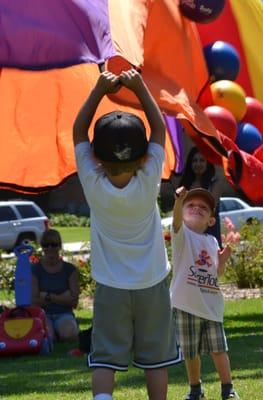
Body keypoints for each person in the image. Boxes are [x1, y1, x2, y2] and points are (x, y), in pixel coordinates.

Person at [73, 69, 181, 400]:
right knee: (156, 360)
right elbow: (159, 128)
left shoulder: (93, 182)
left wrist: (98, 90)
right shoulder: (148, 180)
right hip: (151, 283)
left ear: (97, 157)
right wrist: (139, 86)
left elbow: (78, 130)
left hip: (111, 287)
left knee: (105, 358)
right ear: (143, 157)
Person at [169, 186, 238, 400]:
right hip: (185, 304)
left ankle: (228, 388)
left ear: (211, 220)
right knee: (191, 353)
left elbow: (216, 273)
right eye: (191, 205)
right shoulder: (181, 234)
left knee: (219, 349)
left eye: (204, 208)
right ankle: (195, 388)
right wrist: (179, 201)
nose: (197, 208)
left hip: (211, 305)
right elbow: (176, 221)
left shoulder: (211, 241)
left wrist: (223, 260)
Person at [31, 229, 79, 343]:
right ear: (42, 247)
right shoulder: (35, 270)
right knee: (48, 338)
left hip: (64, 314)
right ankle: (55, 333)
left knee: (69, 336)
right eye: (46, 245)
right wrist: (64, 296)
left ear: (60, 246)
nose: (50, 248)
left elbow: (74, 302)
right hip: (43, 315)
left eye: (54, 244)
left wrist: (47, 296)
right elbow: (34, 302)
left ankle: (61, 331)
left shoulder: (70, 269)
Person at [179, 147, 228, 247]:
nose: (198, 164)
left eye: (202, 160)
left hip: (209, 237)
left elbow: (210, 207)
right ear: (190, 164)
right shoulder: (185, 186)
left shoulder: (214, 183)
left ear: (207, 163)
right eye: (194, 161)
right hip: (188, 238)